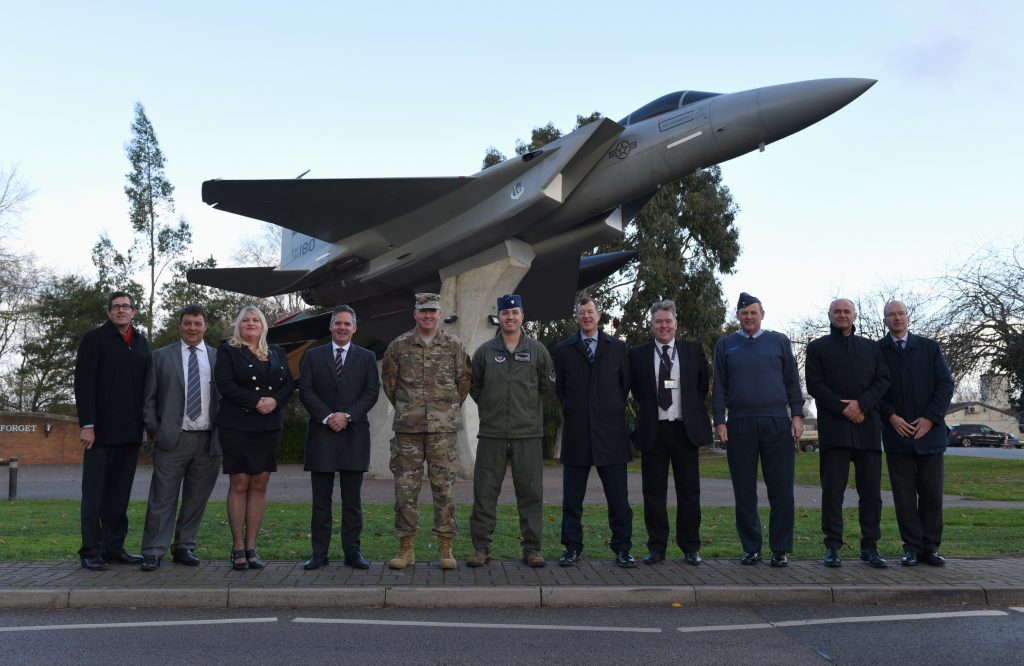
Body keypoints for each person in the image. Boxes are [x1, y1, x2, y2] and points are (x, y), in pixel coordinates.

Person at [712, 292, 804, 567]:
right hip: (740, 423)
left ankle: (780, 548)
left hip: (777, 422)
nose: (748, 317)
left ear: (762, 314)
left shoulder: (778, 341)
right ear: (738, 317)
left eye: (753, 312)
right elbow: (719, 386)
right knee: (744, 490)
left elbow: (792, 382)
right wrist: (719, 420)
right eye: (744, 313)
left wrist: (797, 415)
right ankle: (751, 547)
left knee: (781, 490)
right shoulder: (726, 344)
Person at [381, 293, 472, 571]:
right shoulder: (399, 346)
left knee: (444, 490)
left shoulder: (453, 345)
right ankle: (406, 549)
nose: (428, 316)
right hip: (408, 430)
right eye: (423, 311)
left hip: (442, 431)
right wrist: (410, 410)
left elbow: (464, 381)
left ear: (440, 313)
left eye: (432, 311)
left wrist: (445, 410)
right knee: (405, 491)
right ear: (415, 313)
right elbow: (390, 384)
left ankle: (446, 549)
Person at [467, 294, 553, 568]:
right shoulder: (484, 352)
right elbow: (475, 387)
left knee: (530, 494)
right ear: (499, 317)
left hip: (527, 435)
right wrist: (493, 409)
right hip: (491, 435)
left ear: (522, 316)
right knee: (484, 493)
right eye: (505, 313)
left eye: (515, 313)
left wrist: (524, 412)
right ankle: (482, 548)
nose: (510, 317)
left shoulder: (538, 350)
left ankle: (532, 549)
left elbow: (546, 387)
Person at [806, 298, 891, 568]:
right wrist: (845, 409)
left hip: (867, 428)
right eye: (837, 311)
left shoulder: (871, 347)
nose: (842, 315)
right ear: (829, 315)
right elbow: (815, 385)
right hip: (835, 429)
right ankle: (832, 546)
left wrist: (861, 404)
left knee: (871, 494)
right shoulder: (817, 347)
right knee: (833, 492)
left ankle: (870, 546)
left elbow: (883, 380)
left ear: (855, 315)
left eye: (847, 311)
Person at [139, 304, 222, 571]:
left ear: (205, 327)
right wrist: (155, 431)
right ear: (180, 325)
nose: (192, 328)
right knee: (162, 498)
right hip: (172, 440)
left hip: (208, 441)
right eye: (188, 323)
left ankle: (185, 546)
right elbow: (148, 399)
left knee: (196, 499)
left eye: (198, 324)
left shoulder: (218, 358)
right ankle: (153, 550)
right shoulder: (161, 357)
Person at [553, 297, 634, 568]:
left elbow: (623, 388)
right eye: (581, 312)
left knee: (619, 500)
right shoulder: (564, 350)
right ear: (576, 317)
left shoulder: (618, 348)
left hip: (610, 435)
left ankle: (623, 548)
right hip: (577, 435)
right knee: (572, 500)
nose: (586, 316)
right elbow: (561, 392)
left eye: (591, 312)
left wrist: (604, 410)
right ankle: (571, 548)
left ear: (599, 316)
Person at [298, 305, 380, 571]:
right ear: (330, 326)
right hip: (322, 435)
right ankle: (318, 554)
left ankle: (352, 552)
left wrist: (346, 416)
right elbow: (306, 390)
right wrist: (328, 416)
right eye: (338, 323)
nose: (342, 328)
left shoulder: (367, 357)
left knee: (352, 502)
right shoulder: (312, 356)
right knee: (321, 501)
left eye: (347, 324)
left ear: (355, 328)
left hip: (354, 435)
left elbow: (371, 393)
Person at [74, 291, 150, 570]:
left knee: (119, 495)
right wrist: (88, 425)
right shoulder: (94, 340)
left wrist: (142, 427)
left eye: (125, 306)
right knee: (94, 495)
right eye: (115, 307)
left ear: (134, 311)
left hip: (130, 433)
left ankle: (113, 548)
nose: (120, 310)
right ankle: (90, 550)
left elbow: (144, 390)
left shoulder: (142, 343)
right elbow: (83, 384)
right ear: (108, 313)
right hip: (100, 434)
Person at [214, 305, 294, 570]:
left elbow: (288, 384)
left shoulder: (278, 352)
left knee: (260, 483)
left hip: (269, 425)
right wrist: (256, 400)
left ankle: (252, 547)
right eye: (245, 320)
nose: (250, 323)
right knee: (239, 482)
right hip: (237, 424)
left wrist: (274, 401)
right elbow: (224, 384)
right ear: (239, 325)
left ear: (263, 326)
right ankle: (237, 546)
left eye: (255, 320)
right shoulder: (229, 350)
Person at [632, 299, 712, 566]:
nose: (663, 326)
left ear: (676, 324)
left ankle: (691, 546)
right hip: (654, 432)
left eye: (668, 321)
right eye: (658, 322)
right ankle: (657, 547)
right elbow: (636, 392)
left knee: (689, 493)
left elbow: (701, 387)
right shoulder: (638, 354)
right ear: (652, 325)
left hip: (683, 431)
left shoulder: (692, 350)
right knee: (653, 494)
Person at [878, 300, 954, 566]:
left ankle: (930, 548)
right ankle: (911, 547)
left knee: (932, 495)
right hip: (897, 435)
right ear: (885, 320)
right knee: (904, 497)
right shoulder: (878, 351)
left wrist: (931, 419)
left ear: (907, 317)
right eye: (891, 315)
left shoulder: (930, 348)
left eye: (900, 314)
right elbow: (875, 391)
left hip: (929, 436)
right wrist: (891, 416)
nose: (896, 318)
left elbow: (945, 384)